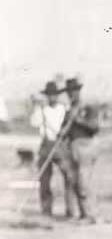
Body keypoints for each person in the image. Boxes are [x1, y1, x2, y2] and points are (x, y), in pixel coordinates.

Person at [29, 80, 73, 217]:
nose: (52, 97)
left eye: (54, 94)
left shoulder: (63, 109)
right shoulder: (42, 109)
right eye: (49, 95)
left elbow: (68, 127)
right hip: (46, 145)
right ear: (46, 96)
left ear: (57, 95)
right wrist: (37, 108)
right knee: (44, 179)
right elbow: (34, 123)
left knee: (69, 176)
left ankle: (70, 210)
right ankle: (46, 210)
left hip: (60, 145)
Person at [63, 77, 100, 223]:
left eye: (74, 91)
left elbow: (95, 128)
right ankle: (82, 214)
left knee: (84, 182)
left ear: (78, 91)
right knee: (75, 181)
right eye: (69, 92)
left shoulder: (87, 107)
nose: (71, 94)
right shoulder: (70, 109)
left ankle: (91, 215)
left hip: (86, 147)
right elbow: (64, 129)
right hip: (72, 147)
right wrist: (63, 131)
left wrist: (77, 120)